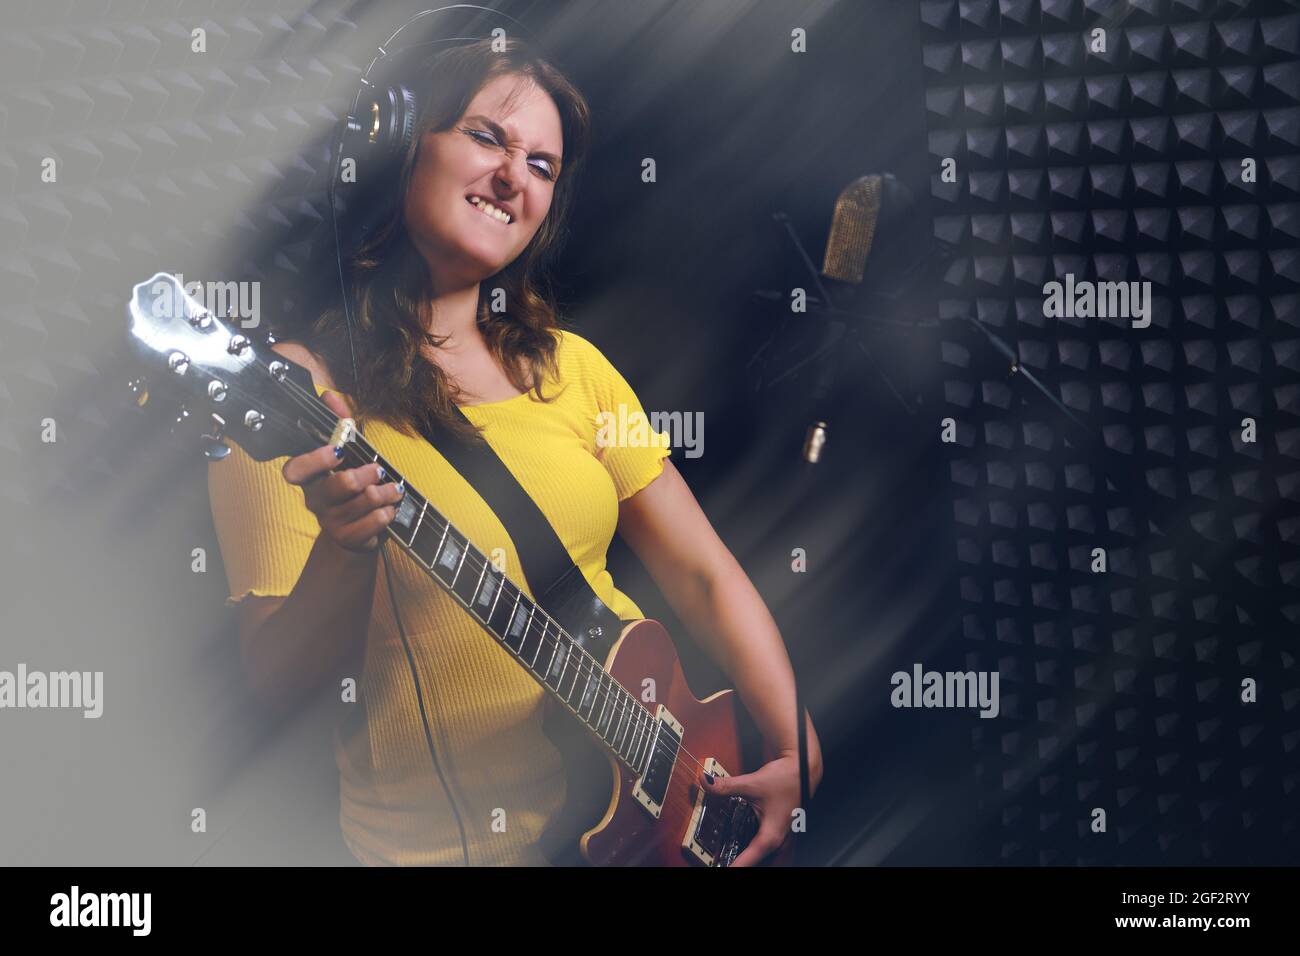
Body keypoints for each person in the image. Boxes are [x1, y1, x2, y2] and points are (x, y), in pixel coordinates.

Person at [207, 37, 822, 866]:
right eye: (487, 138)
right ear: (397, 144)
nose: (514, 178)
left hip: (645, 817)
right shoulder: (300, 396)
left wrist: (794, 749)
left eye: (542, 164)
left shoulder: (573, 368)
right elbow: (274, 687)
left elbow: (705, 576)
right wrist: (344, 552)